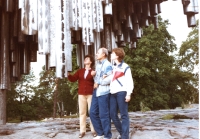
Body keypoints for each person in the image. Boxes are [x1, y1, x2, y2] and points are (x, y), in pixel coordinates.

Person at [67, 55, 97, 138]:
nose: (85, 60)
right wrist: (68, 75)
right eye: (85, 59)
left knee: (92, 113)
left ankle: (94, 130)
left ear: (90, 62)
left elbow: (97, 81)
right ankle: (82, 131)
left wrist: (94, 75)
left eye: (87, 59)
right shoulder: (80, 71)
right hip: (81, 94)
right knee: (82, 113)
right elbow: (73, 79)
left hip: (91, 94)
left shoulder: (94, 71)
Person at [109, 48, 134, 139]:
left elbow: (129, 81)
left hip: (122, 92)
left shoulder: (125, 66)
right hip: (112, 93)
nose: (111, 55)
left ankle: (125, 136)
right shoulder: (113, 67)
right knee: (112, 114)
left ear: (117, 55)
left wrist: (128, 94)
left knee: (124, 115)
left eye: (112, 53)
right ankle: (123, 133)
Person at [90, 48, 113, 139]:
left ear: (104, 54)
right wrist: (94, 75)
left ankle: (107, 136)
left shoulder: (108, 65)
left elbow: (110, 78)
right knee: (92, 112)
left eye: (98, 53)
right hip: (96, 91)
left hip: (104, 92)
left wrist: (99, 81)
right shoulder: (98, 65)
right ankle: (100, 133)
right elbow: (99, 79)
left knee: (104, 114)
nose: (96, 54)